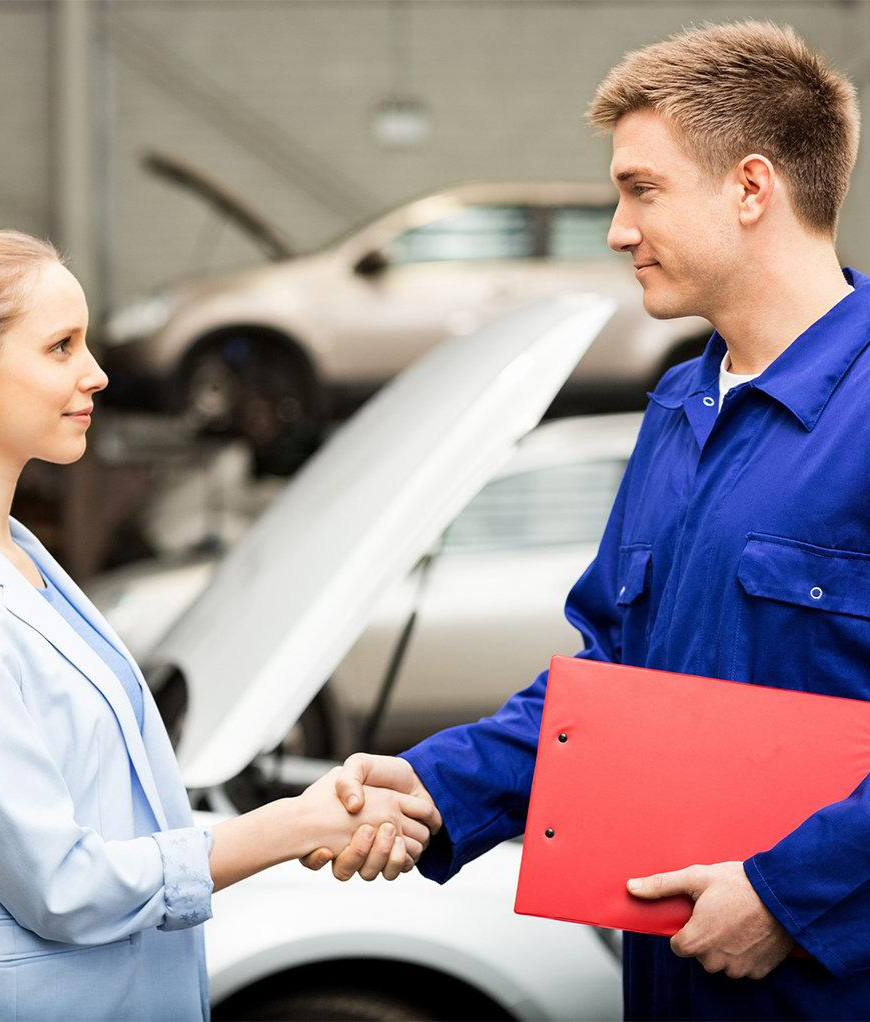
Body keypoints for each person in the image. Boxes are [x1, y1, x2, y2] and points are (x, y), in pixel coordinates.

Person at [306, 20, 870, 1020]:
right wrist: (434, 786)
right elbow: (602, 687)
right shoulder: (673, 417)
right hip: (668, 979)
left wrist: (788, 893)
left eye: (639, 189)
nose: (616, 227)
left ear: (749, 188)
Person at [0, 230, 436, 1022]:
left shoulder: (13, 553)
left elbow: (113, 814)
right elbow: (61, 884)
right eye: (61, 346)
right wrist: (296, 824)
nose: (96, 373)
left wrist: (324, 806)